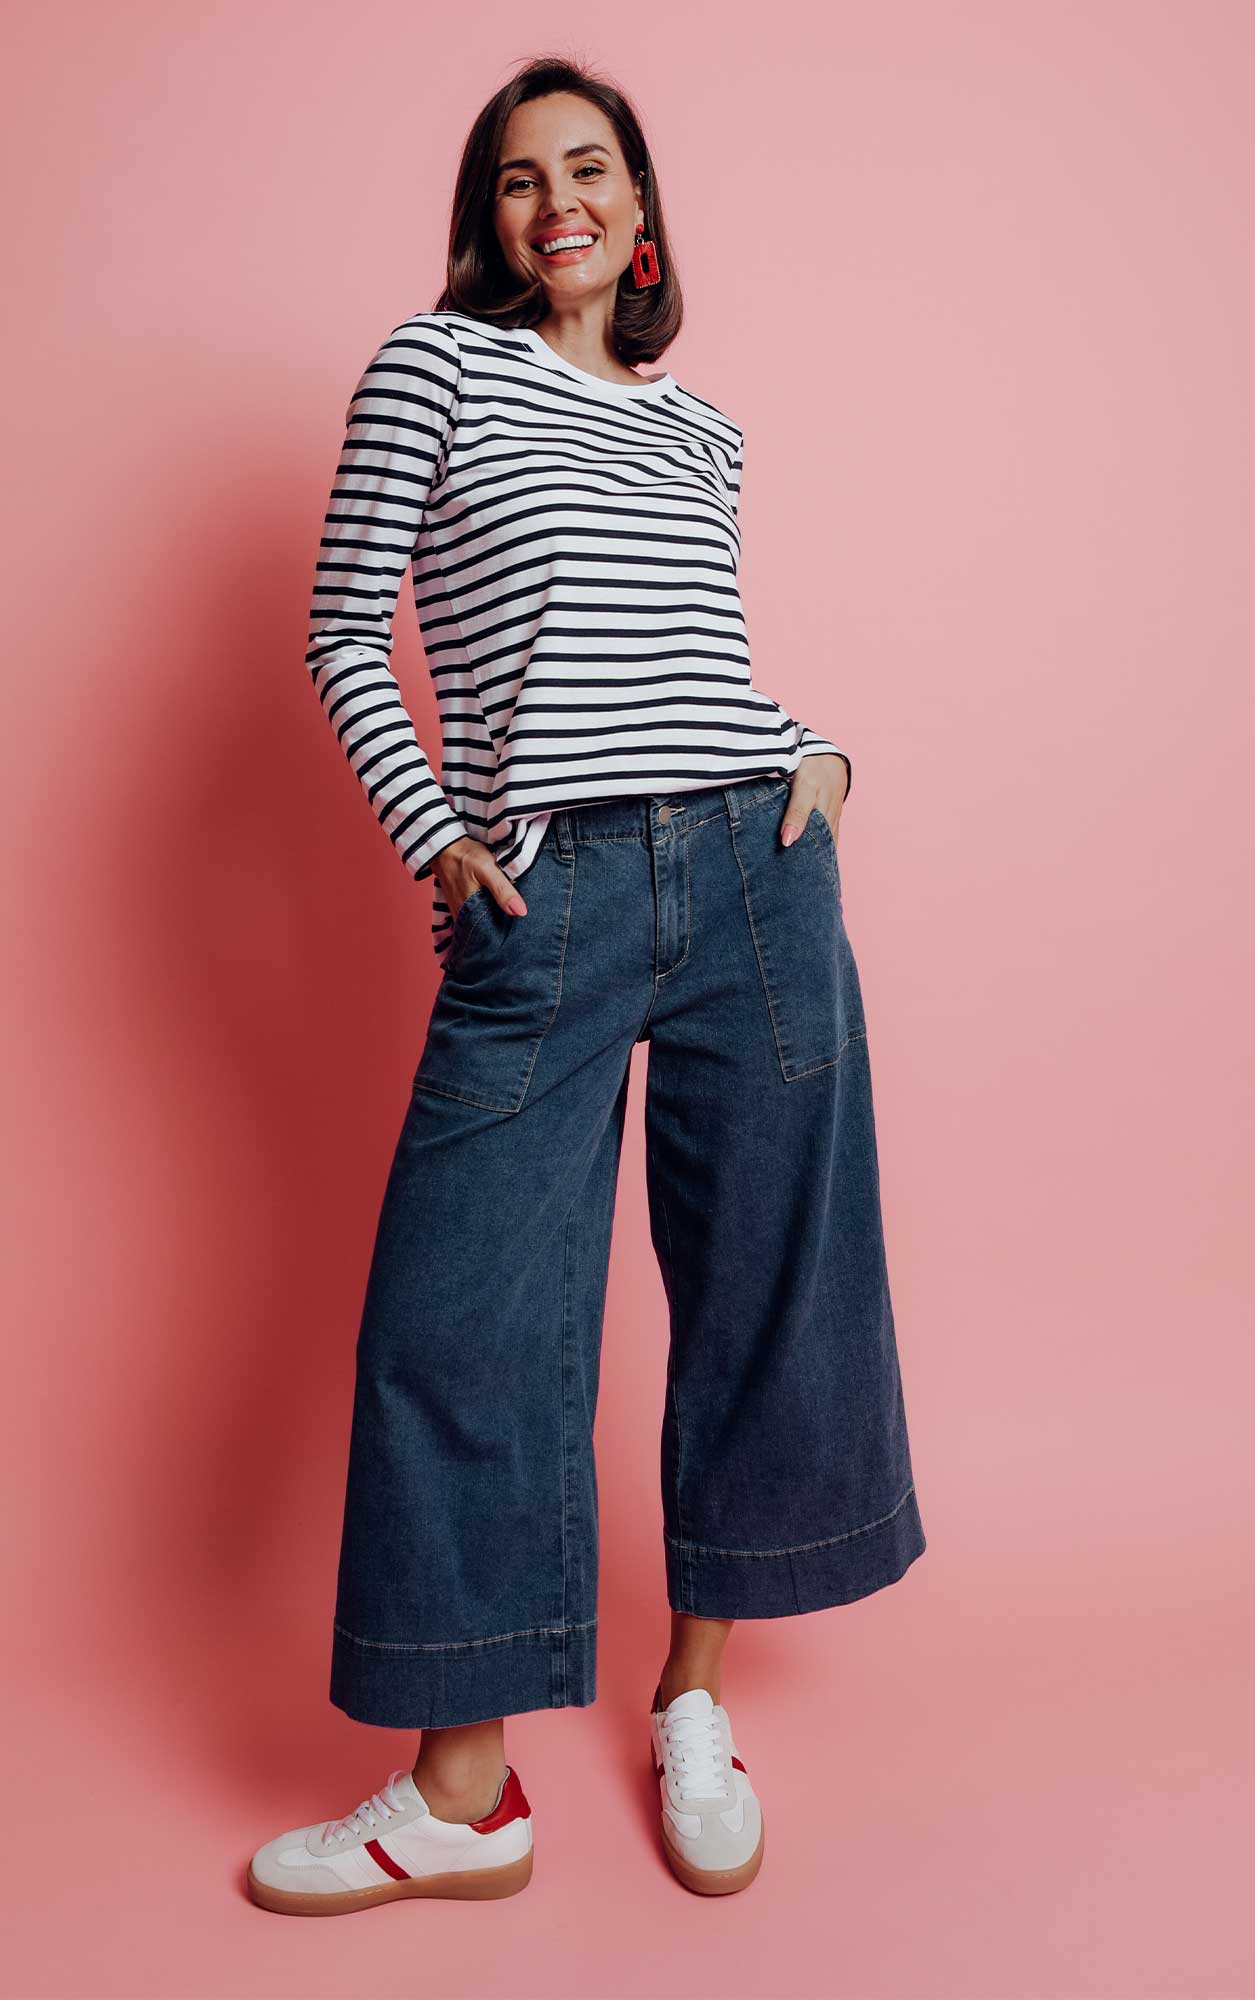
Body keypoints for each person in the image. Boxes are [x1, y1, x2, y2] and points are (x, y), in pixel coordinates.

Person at [247, 54, 924, 1918]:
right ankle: (461, 1800)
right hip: (547, 900)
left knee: (767, 1286)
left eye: (593, 168)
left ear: (640, 216)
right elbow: (341, 624)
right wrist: (434, 837)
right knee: (459, 1318)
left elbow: (692, 651)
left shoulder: (702, 427)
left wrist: (818, 754)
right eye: (523, 175)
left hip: (756, 871)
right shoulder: (435, 370)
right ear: (493, 217)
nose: (562, 199)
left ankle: (693, 1700)